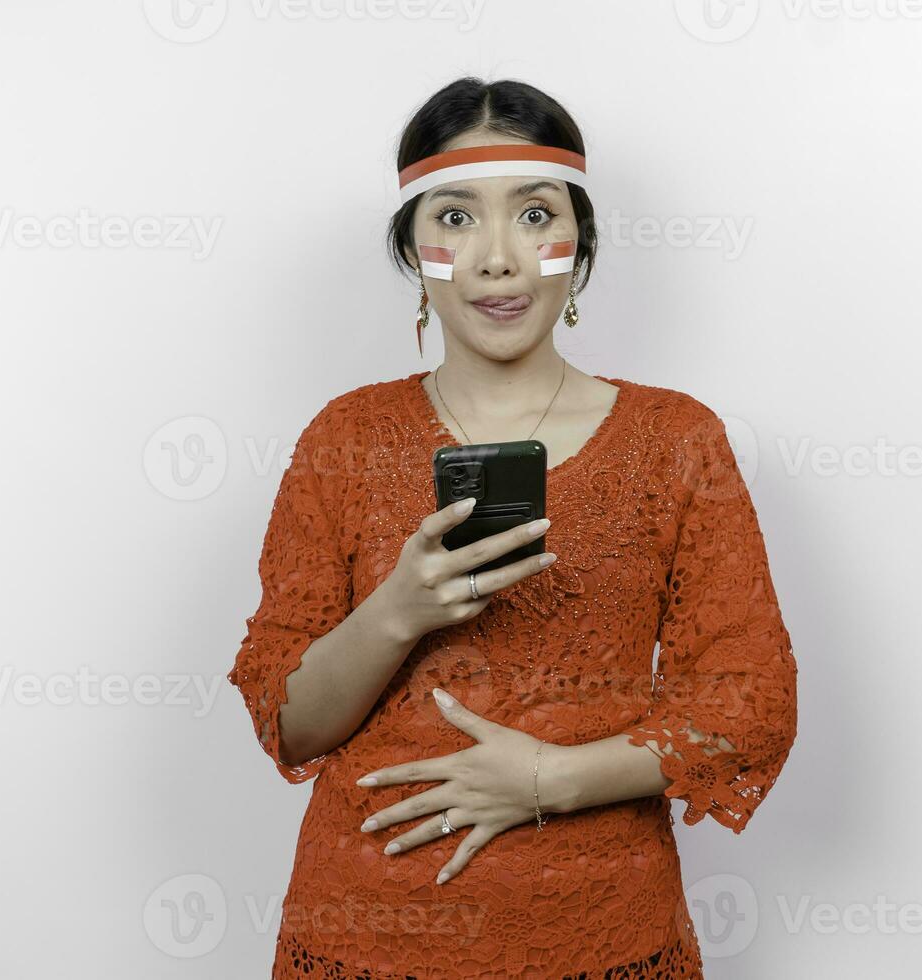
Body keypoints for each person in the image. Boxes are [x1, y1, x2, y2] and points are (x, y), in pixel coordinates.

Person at [227, 76, 798, 979]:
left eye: (534, 215)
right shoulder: (346, 437)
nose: (498, 257)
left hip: (607, 930)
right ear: (413, 248)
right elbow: (288, 725)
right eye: (454, 217)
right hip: (367, 934)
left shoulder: (677, 438)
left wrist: (551, 780)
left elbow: (746, 704)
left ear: (581, 246)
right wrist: (396, 613)